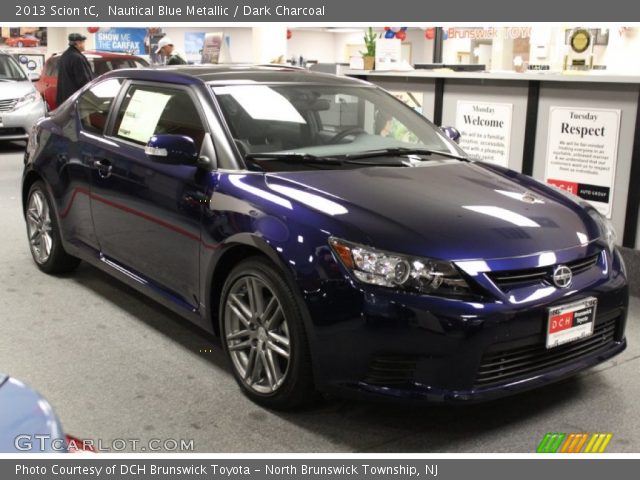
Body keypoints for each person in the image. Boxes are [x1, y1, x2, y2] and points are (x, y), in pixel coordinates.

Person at [56, 33, 94, 106]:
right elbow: (83, 81)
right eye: (83, 42)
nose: (84, 44)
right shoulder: (77, 58)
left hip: (65, 101)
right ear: (78, 43)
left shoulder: (65, 55)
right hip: (76, 101)